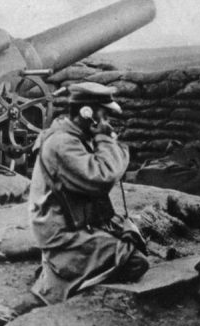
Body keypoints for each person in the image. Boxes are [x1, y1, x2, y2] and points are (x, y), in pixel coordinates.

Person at [29, 81, 148, 304]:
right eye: (104, 116)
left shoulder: (74, 136)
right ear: (87, 113)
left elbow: (111, 170)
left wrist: (104, 139)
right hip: (61, 231)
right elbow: (103, 177)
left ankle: (69, 268)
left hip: (73, 221)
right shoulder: (63, 143)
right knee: (135, 262)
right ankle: (62, 276)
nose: (108, 123)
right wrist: (105, 138)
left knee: (129, 239)